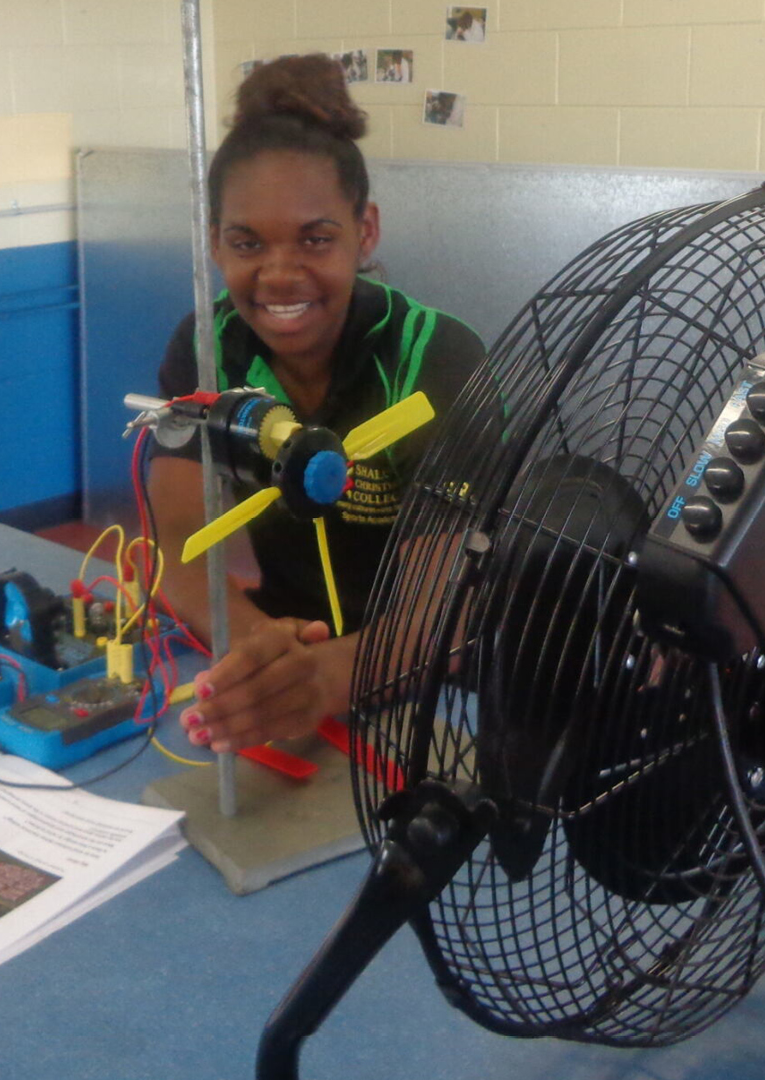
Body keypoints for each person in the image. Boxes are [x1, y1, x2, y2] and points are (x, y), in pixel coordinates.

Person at [150, 55, 486, 754]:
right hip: (285, 654)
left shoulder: (434, 360)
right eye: (247, 243)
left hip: (439, 683)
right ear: (214, 243)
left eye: (315, 239)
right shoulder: (207, 352)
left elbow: (449, 605)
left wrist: (324, 679)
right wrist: (256, 659)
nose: (278, 274)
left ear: (364, 233)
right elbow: (181, 543)